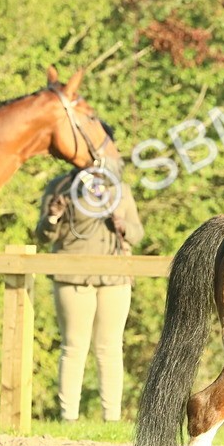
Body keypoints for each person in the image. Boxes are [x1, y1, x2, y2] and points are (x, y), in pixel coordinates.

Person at [35, 139, 144, 422]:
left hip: (114, 276)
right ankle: (67, 417)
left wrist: (122, 224)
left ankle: (112, 418)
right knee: (73, 346)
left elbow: (138, 234)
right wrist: (53, 218)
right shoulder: (59, 188)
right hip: (72, 276)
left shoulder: (120, 191)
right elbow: (43, 236)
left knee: (110, 348)